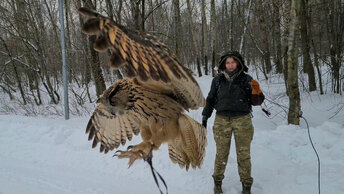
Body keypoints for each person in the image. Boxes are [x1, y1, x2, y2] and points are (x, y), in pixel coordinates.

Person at [202, 51, 265, 194]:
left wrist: (257, 91)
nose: (230, 65)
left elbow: (257, 102)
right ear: (224, 64)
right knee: (221, 153)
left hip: (242, 120)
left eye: (233, 62)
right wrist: (205, 116)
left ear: (238, 63)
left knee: (243, 154)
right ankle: (217, 182)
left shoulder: (247, 79)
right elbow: (211, 99)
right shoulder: (217, 80)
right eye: (228, 62)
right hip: (221, 120)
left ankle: (246, 185)